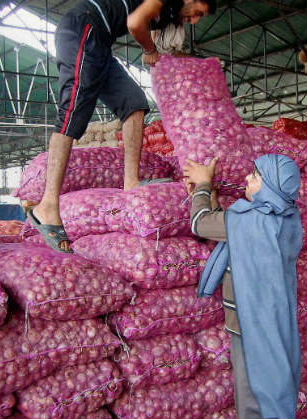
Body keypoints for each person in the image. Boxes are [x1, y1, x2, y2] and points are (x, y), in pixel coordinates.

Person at [27, 0, 216, 253]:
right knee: (72, 112)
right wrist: (148, 49)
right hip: (84, 28)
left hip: (101, 44)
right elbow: (135, 23)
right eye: (198, 13)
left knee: (134, 103)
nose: (195, 20)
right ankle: (47, 206)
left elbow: (164, 53)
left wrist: (203, 65)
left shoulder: (168, 15)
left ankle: (131, 181)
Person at [184, 154, 302, 419]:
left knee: (259, 417)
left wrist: (202, 185)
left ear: (270, 186)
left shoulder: (253, 222)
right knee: (260, 407)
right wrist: (210, 197)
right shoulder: (284, 217)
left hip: (254, 333)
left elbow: (200, 224)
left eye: (256, 175)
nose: (247, 178)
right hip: (269, 324)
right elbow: (233, 231)